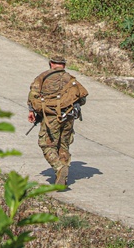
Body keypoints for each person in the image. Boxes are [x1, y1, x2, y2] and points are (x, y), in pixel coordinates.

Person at [27, 55, 89, 187]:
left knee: (46, 144)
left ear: (51, 64)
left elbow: (33, 96)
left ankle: (59, 168)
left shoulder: (42, 77)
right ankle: (62, 178)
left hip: (51, 117)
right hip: (69, 116)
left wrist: (31, 111)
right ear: (64, 65)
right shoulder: (71, 79)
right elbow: (82, 99)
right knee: (63, 145)